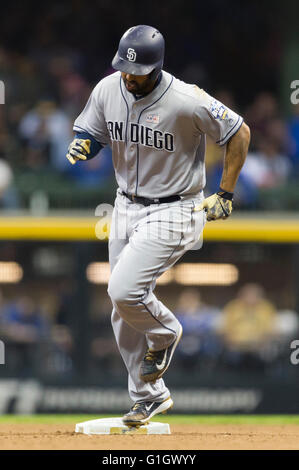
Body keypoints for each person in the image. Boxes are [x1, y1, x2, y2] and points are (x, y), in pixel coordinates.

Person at [66, 25, 250, 426]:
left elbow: (239, 132)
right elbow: (92, 130)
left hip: (176, 208)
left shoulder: (186, 99)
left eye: (138, 71)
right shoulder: (107, 88)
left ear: (157, 66)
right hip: (124, 205)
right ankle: (149, 396)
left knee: (124, 289)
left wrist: (227, 193)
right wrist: (84, 143)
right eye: (124, 69)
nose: (129, 77)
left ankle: (166, 334)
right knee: (122, 307)